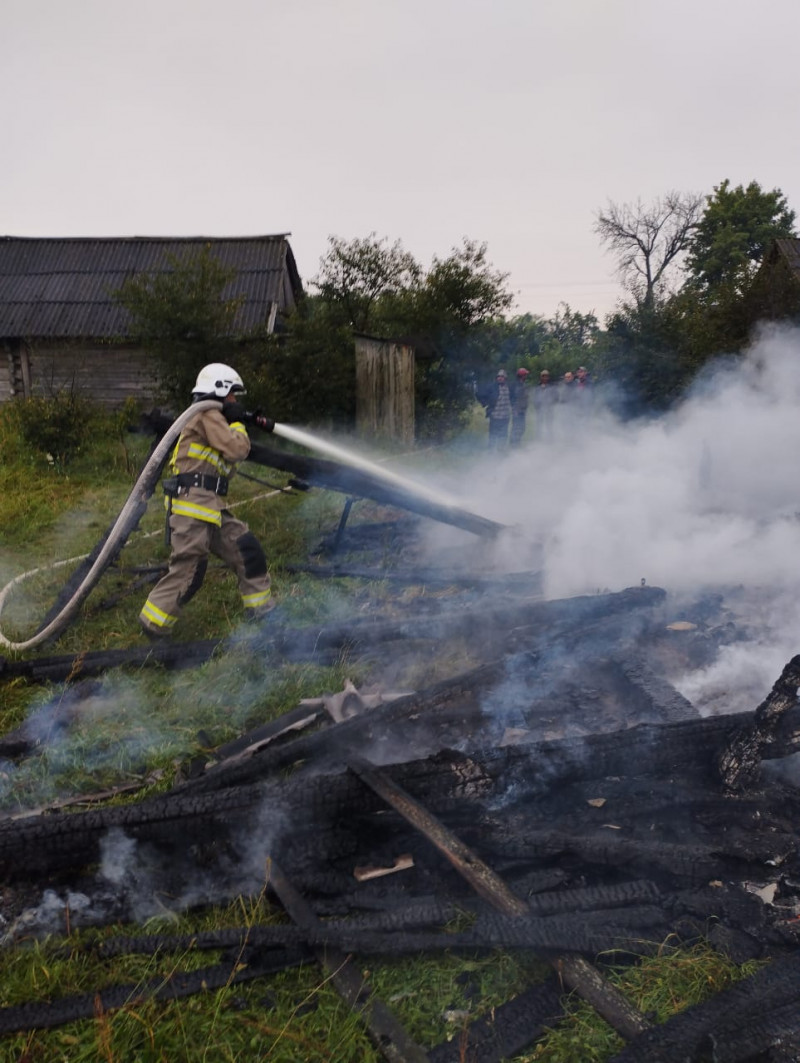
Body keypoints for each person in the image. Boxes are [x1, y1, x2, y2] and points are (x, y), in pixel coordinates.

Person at [139, 363, 276, 639]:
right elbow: (237, 449)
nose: (235, 401)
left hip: (210, 507)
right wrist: (237, 423)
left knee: (246, 549)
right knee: (190, 568)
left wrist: (236, 423)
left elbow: (225, 464)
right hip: (193, 507)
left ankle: (264, 612)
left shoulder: (212, 420)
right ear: (220, 391)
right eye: (233, 396)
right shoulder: (207, 414)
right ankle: (153, 625)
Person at [479, 369, 513, 449]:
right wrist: (485, 403)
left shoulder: (509, 387)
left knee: (503, 436)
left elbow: (513, 398)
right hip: (495, 417)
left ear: (505, 378)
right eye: (498, 377)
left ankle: (500, 454)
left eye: (502, 377)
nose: (500, 378)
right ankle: (491, 454)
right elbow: (479, 393)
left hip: (505, 417)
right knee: (493, 437)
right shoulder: (492, 387)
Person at [531, 368, 557, 441]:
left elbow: (556, 397)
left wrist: (551, 403)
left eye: (546, 376)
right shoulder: (537, 386)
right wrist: (537, 406)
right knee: (539, 425)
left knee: (549, 425)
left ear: (548, 377)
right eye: (543, 376)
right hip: (540, 410)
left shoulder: (552, 386)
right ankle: (538, 439)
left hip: (549, 410)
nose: (545, 378)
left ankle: (550, 440)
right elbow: (535, 398)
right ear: (541, 377)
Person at [509, 368, 530, 446]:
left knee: (522, 428)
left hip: (522, 411)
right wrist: (515, 410)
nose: (526, 376)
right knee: (516, 428)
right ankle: (514, 445)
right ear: (522, 375)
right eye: (525, 375)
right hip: (517, 411)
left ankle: (517, 443)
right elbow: (512, 399)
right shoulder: (515, 385)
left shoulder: (523, 384)